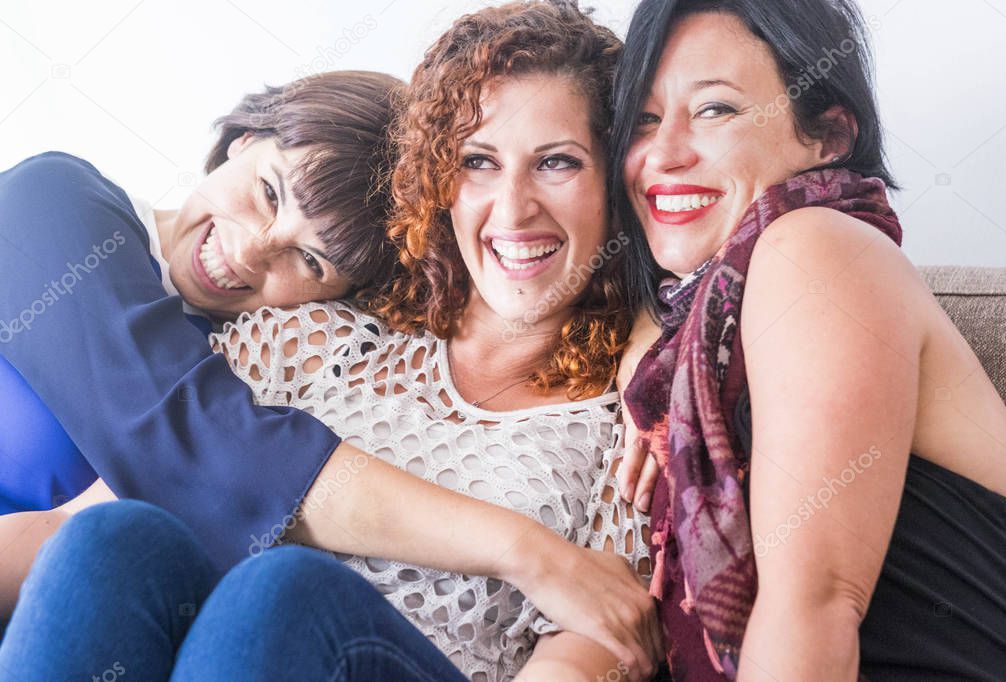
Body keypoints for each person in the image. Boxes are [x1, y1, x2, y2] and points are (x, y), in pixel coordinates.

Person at [0, 2, 664, 680]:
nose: (514, 206)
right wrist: (523, 548)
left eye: (557, 162)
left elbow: (593, 645)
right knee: (115, 539)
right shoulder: (314, 336)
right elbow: (104, 510)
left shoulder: (630, 432)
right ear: (441, 183)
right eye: (477, 161)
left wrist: (651, 332)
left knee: (282, 593)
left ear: (614, 186)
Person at [610, 0, 1006, 679]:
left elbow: (816, 606)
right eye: (644, 119)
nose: (664, 153)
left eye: (715, 110)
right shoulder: (694, 328)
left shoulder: (817, 247)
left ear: (828, 136)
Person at [0, 70, 402, 515]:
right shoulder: (54, 200)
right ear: (246, 139)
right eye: (269, 192)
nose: (252, 250)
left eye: (310, 260)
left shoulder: (248, 376)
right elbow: (197, 446)